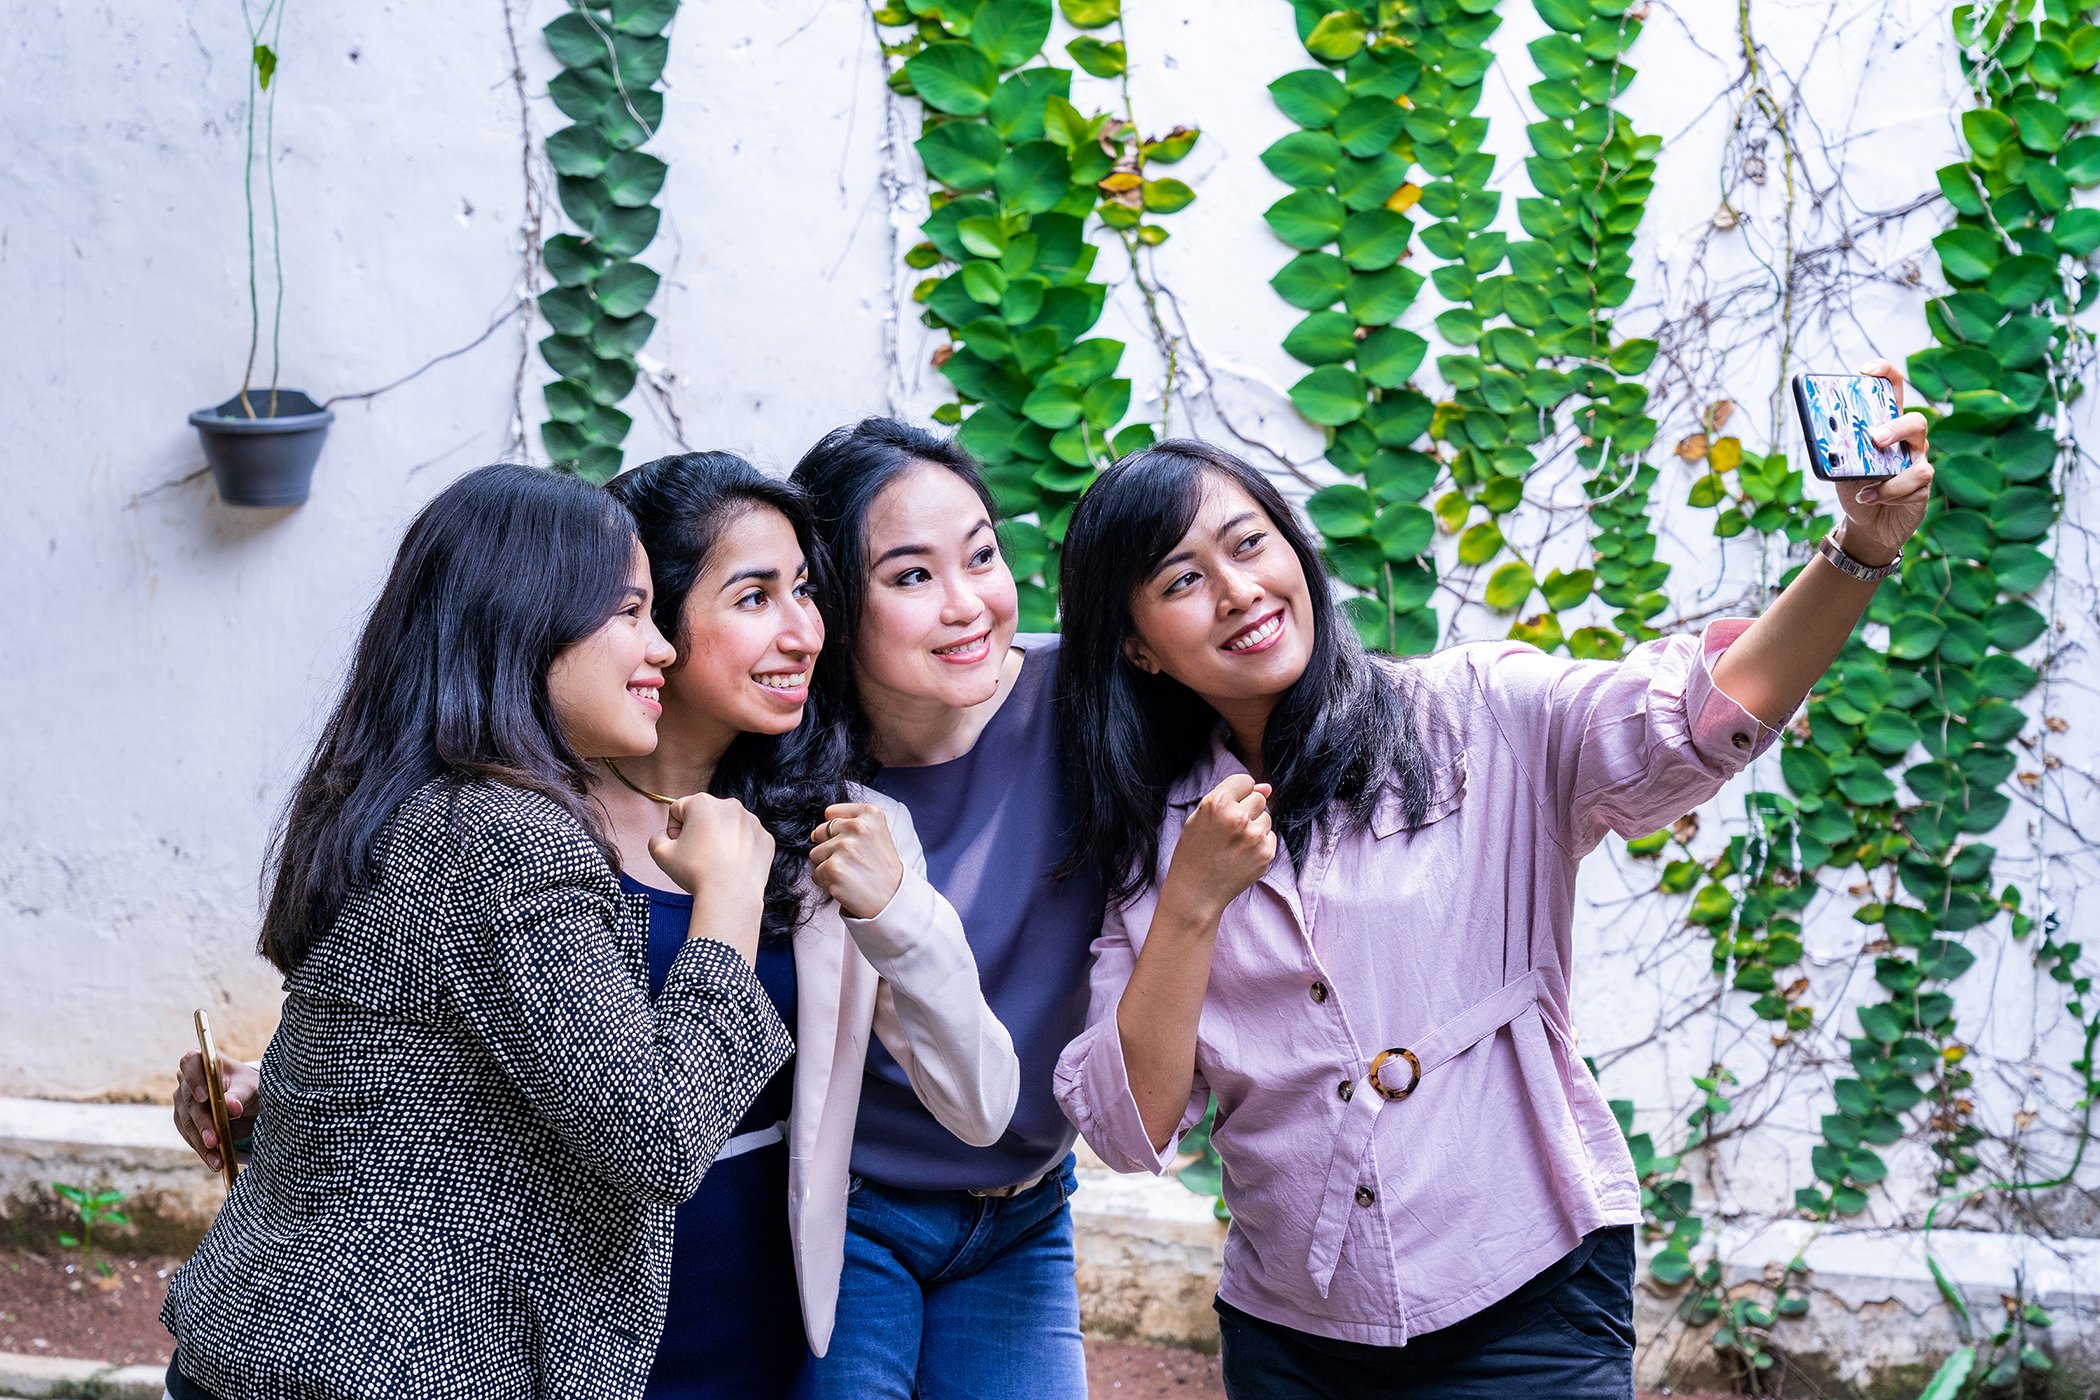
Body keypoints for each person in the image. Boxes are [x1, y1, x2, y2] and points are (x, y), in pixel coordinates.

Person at [1051, 362, 1934, 1397]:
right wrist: (1193, 903)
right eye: (1180, 579)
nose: (1238, 589)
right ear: (1139, 647)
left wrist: (1857, 552)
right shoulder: (1149, 837)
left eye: (1249, 544)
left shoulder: (1476, 713)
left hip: (1527, 1290)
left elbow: (1701, 714)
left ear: (1294, 548)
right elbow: (1130, 1123)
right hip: (1294, 1324)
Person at [176, 453, 1020, 1400]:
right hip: (450, 1341)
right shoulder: (512, 828)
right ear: (529, 624)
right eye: (633, 614)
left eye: (807, 591)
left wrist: (289, 1093)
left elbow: (423, 1050)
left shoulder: (823, 827)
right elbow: (643, 1131)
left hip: (701, 1305)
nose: (654, 644)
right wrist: (728, 906)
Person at [788, 418, 1104, 1399]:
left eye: (981, 554)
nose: (968, 604)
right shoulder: (799, 771)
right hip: (853, 1209)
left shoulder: (1085, 703)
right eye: (912, 575)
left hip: (1024, 1207)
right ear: (836, 602)